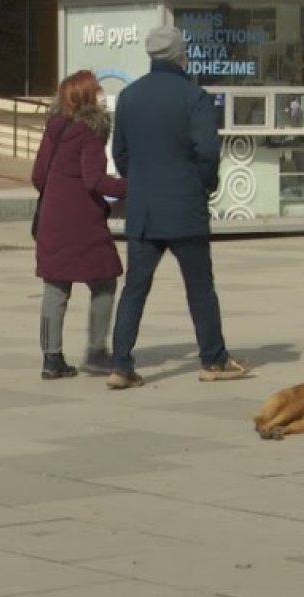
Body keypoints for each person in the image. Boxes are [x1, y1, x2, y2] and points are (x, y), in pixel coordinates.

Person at [107, 25, 251, 389]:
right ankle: (213, 359)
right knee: (200, 288)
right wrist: (203, 184)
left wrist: (141, 182)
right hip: (185, 209)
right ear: (179, 56)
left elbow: (120, 155)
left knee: (134, 288)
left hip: (143, 211)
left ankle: (120, 365)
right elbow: (208, 152)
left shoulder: (129, 97)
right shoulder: (194, 97)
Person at [31, 70, 126, 380]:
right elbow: (94, 178)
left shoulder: (54, 127)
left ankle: (51, 358)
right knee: (104, 280)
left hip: (51, 219)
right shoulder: (90, 131)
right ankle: (97, 352)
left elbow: (37, 177)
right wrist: (130, 187)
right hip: (82, 220)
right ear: (87, 96)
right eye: (97, 90)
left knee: (55, 286)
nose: (101, 94)